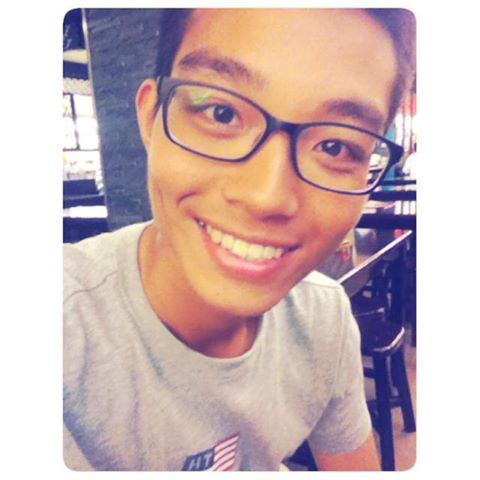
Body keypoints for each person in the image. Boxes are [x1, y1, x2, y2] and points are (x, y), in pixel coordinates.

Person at [63, 8, 415, 471]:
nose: (266, 196)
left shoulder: (323, 318)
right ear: (150, 118)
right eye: (222, 112)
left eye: (335, 146)